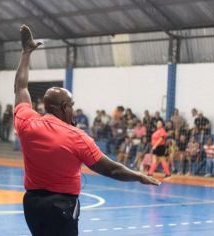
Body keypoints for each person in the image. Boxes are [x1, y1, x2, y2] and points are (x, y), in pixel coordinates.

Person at [13, 25, 159, 236]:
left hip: (32, 205)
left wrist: (26, 53)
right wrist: (138, 176)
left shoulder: (27, 123)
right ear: (64, 107)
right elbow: (112, 169)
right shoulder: (77, 137)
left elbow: (20, 88)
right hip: (61, 206)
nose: (73, 108)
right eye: (71, 104)